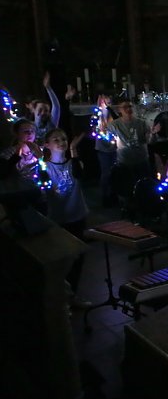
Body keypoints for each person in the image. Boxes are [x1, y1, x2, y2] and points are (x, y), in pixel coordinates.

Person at [43, 128, 90, 306]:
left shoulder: (74, 164)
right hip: (57, 220)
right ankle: (60, 300)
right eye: (56, 140)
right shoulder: (45, 168)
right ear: (47, 145)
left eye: (63, 139)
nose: (61, 142)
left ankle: (73, 297)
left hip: (77, 216)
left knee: (78, 259)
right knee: (62, 262)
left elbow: (79, 175)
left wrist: (73, 151)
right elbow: (43, 186)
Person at [106, 100, 152, 181]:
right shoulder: (114, 125)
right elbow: (108, 139)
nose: (128, 109)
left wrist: (152, 134)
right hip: (124, 162)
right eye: (125, 107)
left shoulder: (142, 123)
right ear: (119, 110)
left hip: (141, 160)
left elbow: (148, 141)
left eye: (130, 106)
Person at [32, 72, 62, 145]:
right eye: (40, 110)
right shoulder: (29, 126)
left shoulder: (52, 124)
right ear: (33, 110)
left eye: (46, 110)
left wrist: (48, 87)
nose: (43, 113)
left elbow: (56, 106)